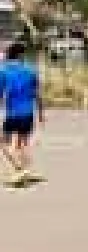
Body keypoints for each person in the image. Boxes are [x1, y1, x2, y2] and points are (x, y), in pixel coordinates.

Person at [0, 42, 44, 185]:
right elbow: (37, 94)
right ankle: (25, 170)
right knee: (23, 143)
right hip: (28, 112)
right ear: (21, 55)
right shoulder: (30, 71)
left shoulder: (3, 71)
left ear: (9, 54)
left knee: (3, 142)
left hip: (12, 113)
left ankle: (19, 169)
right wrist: (41, 113)